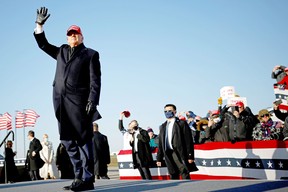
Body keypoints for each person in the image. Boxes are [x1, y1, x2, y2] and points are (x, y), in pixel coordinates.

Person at [33, 7, 101, 191]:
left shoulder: (91, 54)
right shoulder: (61, 51)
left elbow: (95, 81)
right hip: (61, 104)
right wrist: (39, 25)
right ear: (67, 38)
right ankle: (78, 176)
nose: (73, 37)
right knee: (67, 141)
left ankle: (87, 180)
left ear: (82, 36)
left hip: (80, 104)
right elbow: (43, 45)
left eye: (76, 34)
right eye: (70, 34)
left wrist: (92, 101)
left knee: (83, 141)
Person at [156, 104, 195, 180]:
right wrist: (159, 158)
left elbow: (188, 141)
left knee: (184, 170)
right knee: (172, 172)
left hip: (179, 152)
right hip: (168, 152)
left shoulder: (181, 124)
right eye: (165, 111)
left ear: (175, 111)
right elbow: (161, 143)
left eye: (170, 110)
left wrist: (190, 156)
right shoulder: (163, 126)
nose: (167, 112)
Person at [119, 114, 153, 180]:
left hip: (143, 154)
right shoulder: (132, 133)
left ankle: (149, 180)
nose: (133, 126)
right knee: (140, 169)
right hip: (136, 154)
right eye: (132, 124)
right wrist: (131, 141)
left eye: (134, 124)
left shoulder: (143, 132)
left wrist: (139, 136)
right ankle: (144, 182)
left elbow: (146, 140)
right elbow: (133, 145)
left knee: (145, 169)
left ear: (137, 124)